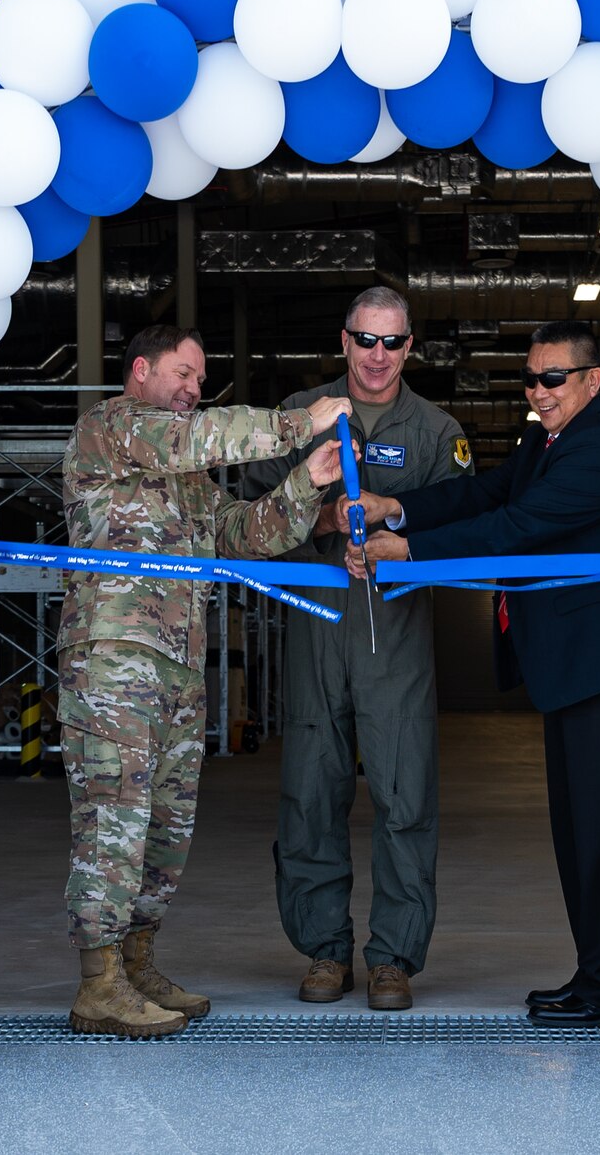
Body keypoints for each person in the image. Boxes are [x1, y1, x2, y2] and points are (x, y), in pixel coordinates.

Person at [342, 321, 600, 1027]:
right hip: (573, 670)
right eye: (531, 377)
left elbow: (517, 527)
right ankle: (595, 974)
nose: (539, 391)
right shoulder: (543, 443)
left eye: (554, 378)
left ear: (592, 380)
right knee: (581, 831)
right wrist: (395, 505)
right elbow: (485, 495)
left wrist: (412, 550)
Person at [59, 324, 350, 1038]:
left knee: (165, 829)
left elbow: (242, 534)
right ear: (140, 372)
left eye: (199, 379)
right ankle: (98, 984)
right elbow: (203, 438)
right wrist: (298, 422)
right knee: (114, 820)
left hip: (180, 668)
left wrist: (304, 484)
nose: (193, 389)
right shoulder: (113, 428)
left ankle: (135, 961)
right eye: (183, 374)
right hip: (114, 661)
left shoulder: (186, 475)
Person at [238, 287, 473, 1012]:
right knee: (311, 789)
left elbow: (463, 523)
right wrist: (319, 515)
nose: (378, 356)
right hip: (316, 623)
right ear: (343, 341)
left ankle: (393, 957)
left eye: (392, 342)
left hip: (395, 635)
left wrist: (394, 527)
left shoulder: (436, 430)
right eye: (365, 340)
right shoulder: (302, 415)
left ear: (410, 347)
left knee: (404, 793)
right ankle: (324, 950)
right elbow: (246, 509)